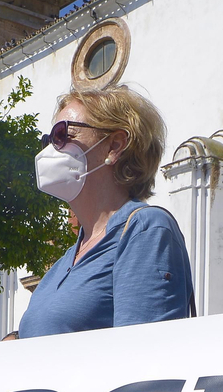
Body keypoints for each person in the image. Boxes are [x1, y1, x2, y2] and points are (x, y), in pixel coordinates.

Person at [16, 86, 194, 339]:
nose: (50, 151)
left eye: (62, 135)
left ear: (115, 146)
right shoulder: (63, 262)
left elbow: (142, 359)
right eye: (48, 140)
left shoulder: (145, 229)